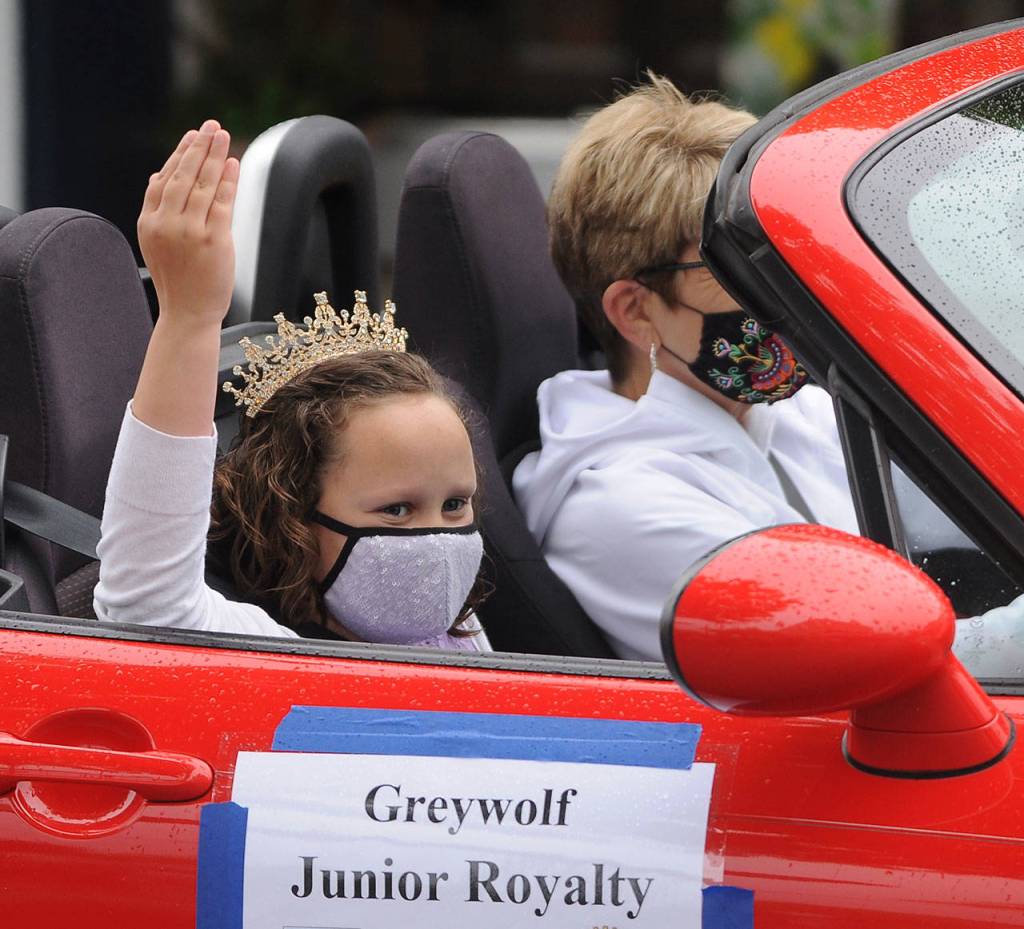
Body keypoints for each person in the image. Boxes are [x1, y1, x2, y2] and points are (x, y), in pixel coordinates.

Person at [93, 120, 489, 651]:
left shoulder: (458, 635)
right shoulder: (275, 650)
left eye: (456, 504)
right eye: (396, 510)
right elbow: (147, 602)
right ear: (294, 519)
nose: (438, 540)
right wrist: (189, 317)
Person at [513, 75, 858, 660]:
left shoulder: (794, 411)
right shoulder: (621, 510)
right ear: (635, 311)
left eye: (781, 252)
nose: (785, 293)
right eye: (735, 271)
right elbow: (862, 649)